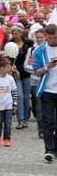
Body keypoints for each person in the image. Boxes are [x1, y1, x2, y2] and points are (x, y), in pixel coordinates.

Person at [30, 24, 57, 161]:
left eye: (55, 37)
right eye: (51, 38)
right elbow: (36, 72)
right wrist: (48, 66)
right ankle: (49, 150)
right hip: (47, 90)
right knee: (48, 121)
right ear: (46, 36)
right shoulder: (40, 50)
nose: (53, 40)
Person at [8, 25, 33, 129]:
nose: (14, 36)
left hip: (26, 73)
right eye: (13, 34)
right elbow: (7, 58)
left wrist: (29, 65)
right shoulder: (10, 43)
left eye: (16, 33)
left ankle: (26, 117)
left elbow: (32, 57)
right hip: (16, 74)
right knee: (19, 96)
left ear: (21, 34)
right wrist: (10, 66)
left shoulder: (29, 43)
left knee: (27, 97)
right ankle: (21, 120)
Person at [24, 28, 46, 138]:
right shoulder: (32, 50)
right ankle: (41, 130)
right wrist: (37, 71)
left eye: (41, 37)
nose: (39, 39)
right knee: (39, 107)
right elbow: (27, 65)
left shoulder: (49, 49)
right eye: (37, 37)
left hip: (49, 81)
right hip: (36, 81)